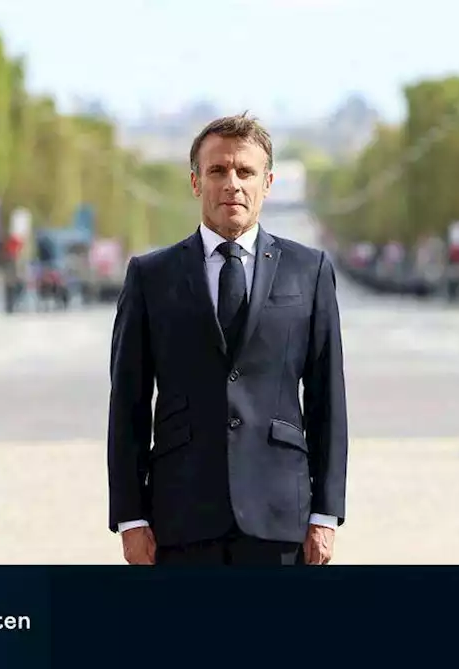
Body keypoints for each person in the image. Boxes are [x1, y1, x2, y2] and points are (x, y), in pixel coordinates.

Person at [107, 113, 348, 566]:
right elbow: (128, 405)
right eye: (217, 170)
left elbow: (327, 401)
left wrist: (326, 514)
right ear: (196, 182)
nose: (231, 184)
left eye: (245, 172)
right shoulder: (150, 276)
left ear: (268, 182)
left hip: (282, 518)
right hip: (179, 517)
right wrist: (130, 519)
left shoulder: (310, 271)